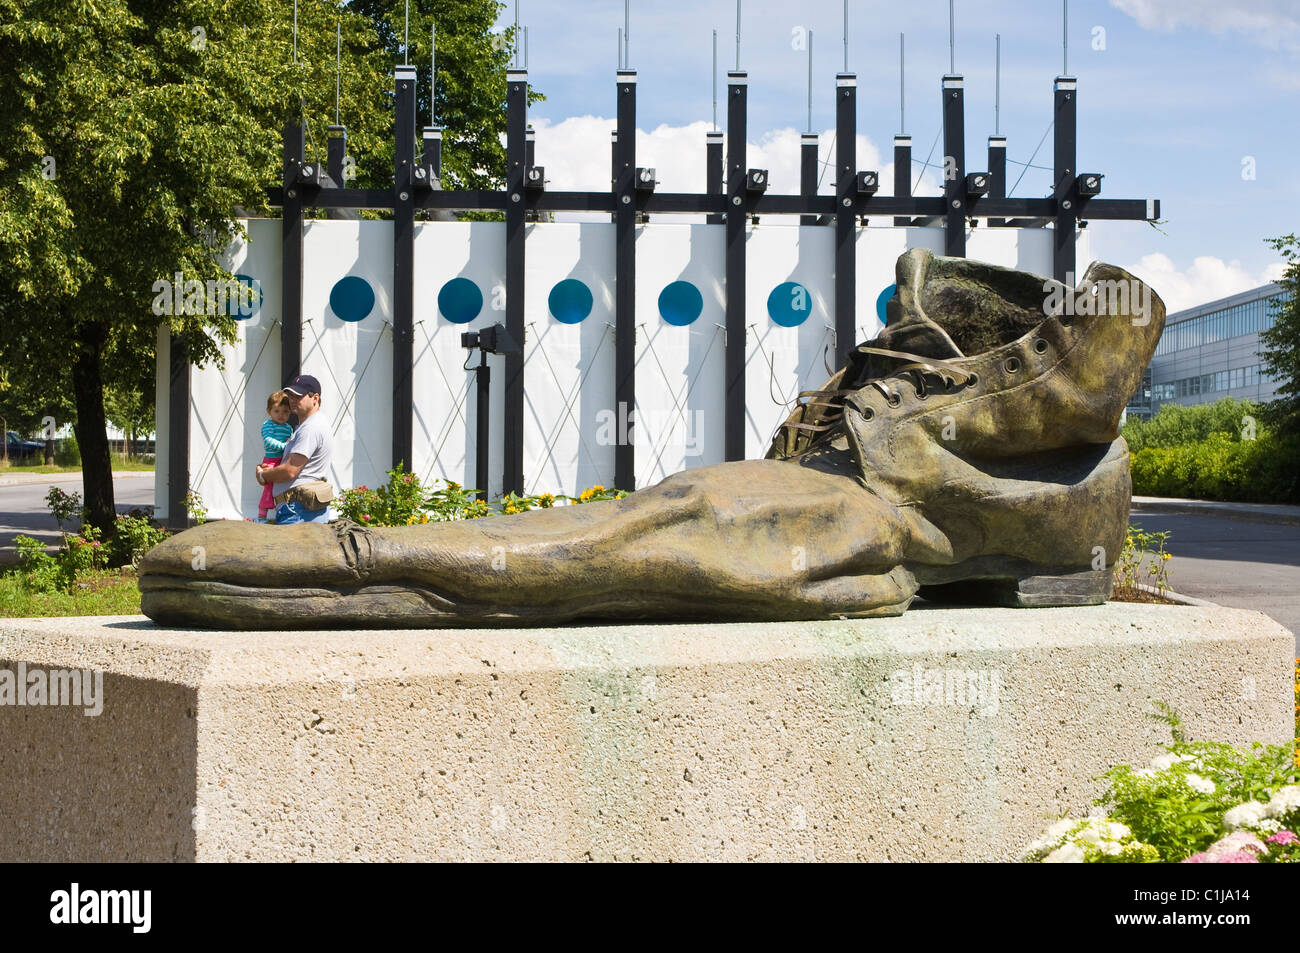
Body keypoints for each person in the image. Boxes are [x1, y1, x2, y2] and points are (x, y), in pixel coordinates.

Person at [254, 375, 334, 525]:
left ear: (315, 398)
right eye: (290, 396)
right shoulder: (309, 425)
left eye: (298, 396)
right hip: (301, 509)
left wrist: (263, 474)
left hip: (298, 511)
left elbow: (289, 470)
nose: (292, 400)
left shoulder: (311, 428)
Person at [257, 391, 294, 521]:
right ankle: (262, 515)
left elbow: (291, 440)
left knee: (283, 487)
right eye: (277, 411)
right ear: (269, 411)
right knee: (268, 487)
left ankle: (282, 512)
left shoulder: (288, 427)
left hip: (283, 460)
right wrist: (285, 447)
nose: (281, 415)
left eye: (285, 412)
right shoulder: (268, 425)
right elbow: (268, 440)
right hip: (271, 460)